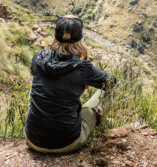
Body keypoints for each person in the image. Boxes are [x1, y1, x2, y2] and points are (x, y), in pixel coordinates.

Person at [24, 15, 116, 153]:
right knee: (107, 91)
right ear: (80, 39)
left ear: (55, 36)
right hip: (67, 143)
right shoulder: (83, 68)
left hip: (32, 140)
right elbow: (111, 81)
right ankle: (107, 126)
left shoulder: (38, 57)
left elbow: (39, 76)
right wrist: (88, 78)